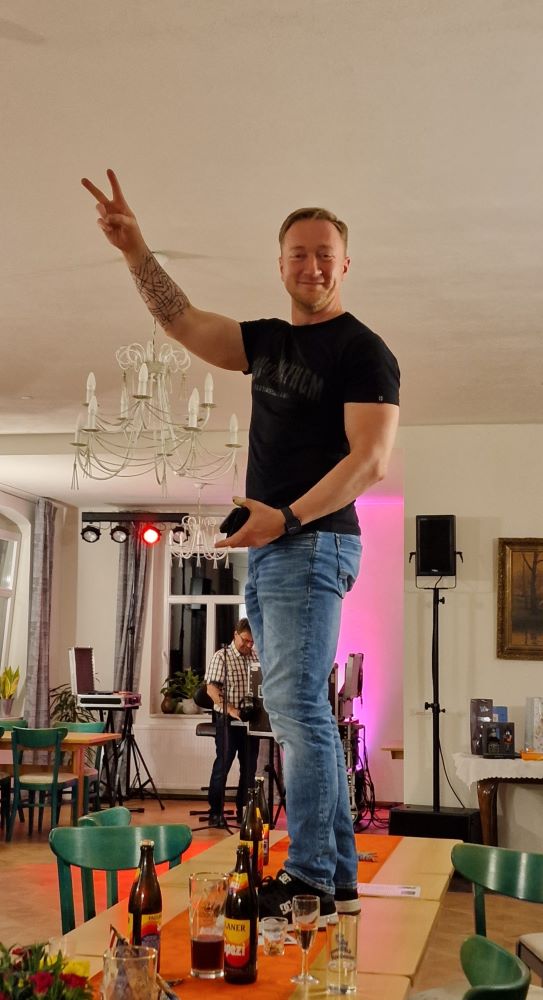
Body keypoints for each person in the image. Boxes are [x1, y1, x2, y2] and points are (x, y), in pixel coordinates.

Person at [82, 170, 400, 923]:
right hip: (279, 548)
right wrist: (135, 252)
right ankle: (337, 882)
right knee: (298, 709)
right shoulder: (267, 342)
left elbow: (369, 462)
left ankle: (311, 877)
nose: (312, 266)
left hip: (311, 542)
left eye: (324, 254)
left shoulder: (363, 350)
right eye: (298, 254)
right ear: (280, 263)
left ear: (345, 263)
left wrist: (285, 518)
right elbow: (182, 321)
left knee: (296, 709)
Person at [205, 618, 260, 828]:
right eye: (245, 640)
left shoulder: (254, 656)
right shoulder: (222, 657)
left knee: (249, 768)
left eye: (251, 642)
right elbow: (211, 689)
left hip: (249, 721)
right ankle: (215, 812)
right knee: (223, 765)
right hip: (227, 719)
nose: (248, 645)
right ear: (235, 635)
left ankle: (244, 811)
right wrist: (231, 710)